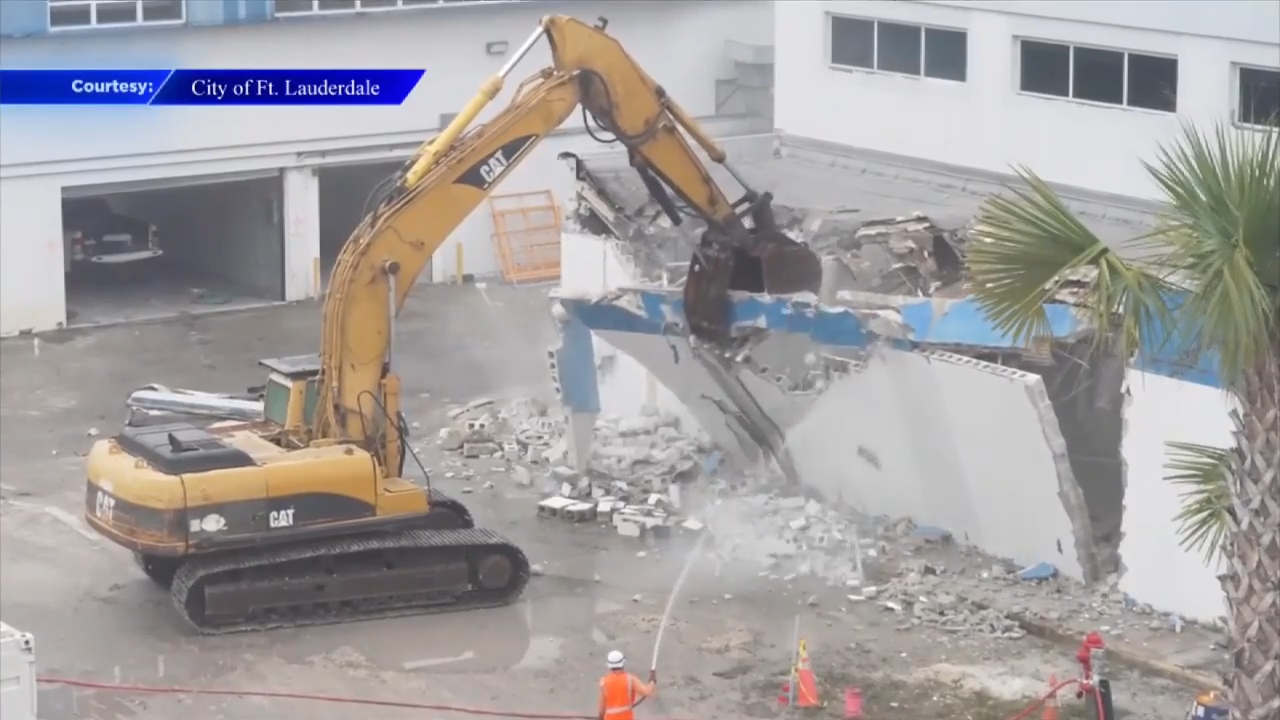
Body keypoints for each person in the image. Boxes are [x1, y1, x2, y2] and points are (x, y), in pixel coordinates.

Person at [597, 650, 656, 720]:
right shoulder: (630, 679)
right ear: (622, 663)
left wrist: (600, 718)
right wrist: (652, 681)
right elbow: (647, 692)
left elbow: (601, 707)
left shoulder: (604, 681)